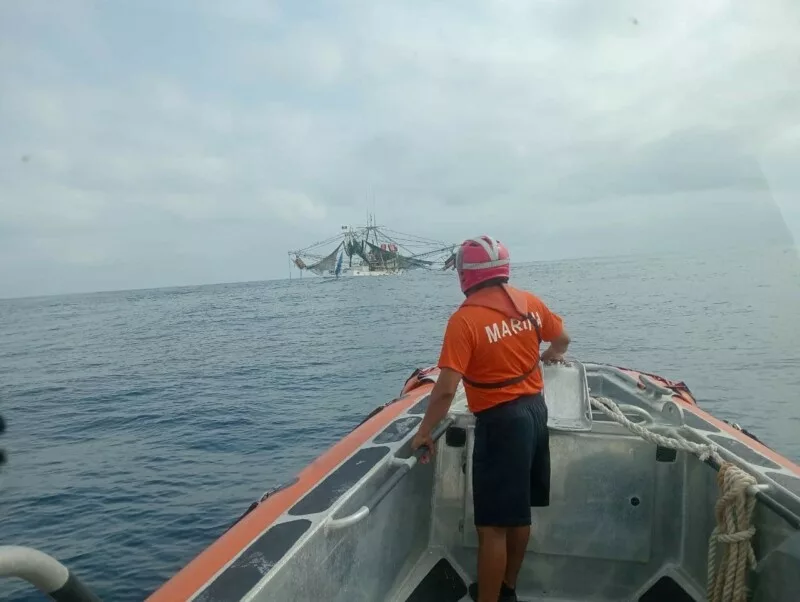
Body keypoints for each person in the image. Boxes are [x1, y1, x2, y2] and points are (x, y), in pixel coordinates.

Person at [411, 235, 570, 602]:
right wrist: (549, 354)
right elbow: (563, 340)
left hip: (502, 424)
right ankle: (507, 589)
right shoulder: (529, 303)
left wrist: (424, 431)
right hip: (534, 413)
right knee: (519, 514)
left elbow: (447, 389)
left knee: (492, 526)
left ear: (466, 275)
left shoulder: (464, 321)